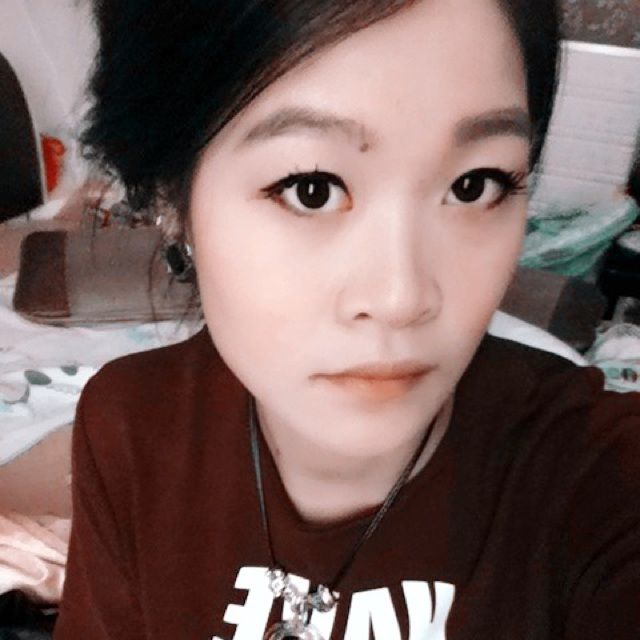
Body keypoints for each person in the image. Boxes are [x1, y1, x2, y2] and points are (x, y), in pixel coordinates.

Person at [54, 0, 640, 638]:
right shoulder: (131, 428)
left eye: (475, 185)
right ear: (172, 202)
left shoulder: (598, 479)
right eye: (312, 188)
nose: (401, 297)